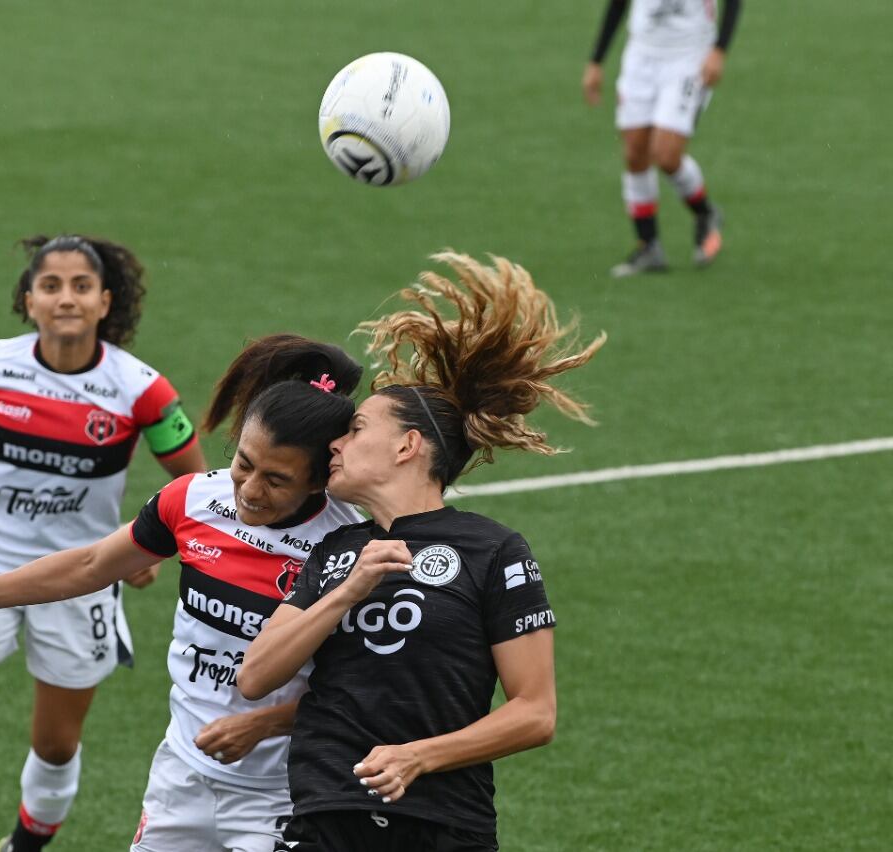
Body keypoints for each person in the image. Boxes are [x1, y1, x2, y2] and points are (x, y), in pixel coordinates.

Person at [0, 335, 367, 852]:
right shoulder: (192, 500)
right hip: (179, 778)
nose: (250, 490)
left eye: (277, 480)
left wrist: (267, 723)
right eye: (244, 464)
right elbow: (92, 564)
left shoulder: (348, 546)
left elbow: (370, 691)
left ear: (322, 479)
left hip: (281, 795)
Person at [240, 253, 606, 852]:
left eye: (356, 429)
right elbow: (256, 674)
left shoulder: (494, 551)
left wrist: (418, 757)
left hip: (439, 827)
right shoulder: (338, 549)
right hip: (323, 817)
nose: (335, 441)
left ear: (408, 446)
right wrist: (348, 592)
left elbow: (536, 713)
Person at [0, 233, 206, 852]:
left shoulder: (143, 390)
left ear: (106, 302)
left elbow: (194, 486)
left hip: (82, 573)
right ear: (29, 300)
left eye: (81, 286)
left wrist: (144, 546)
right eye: (51, 286)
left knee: (57, 743)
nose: (67, 298)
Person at [582, 0, 743, 277]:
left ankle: (705, 213)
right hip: (641, 55)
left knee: (666, 154)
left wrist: (720, 50)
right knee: (634, 152)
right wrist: (596, 61)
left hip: (688, 57)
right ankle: (648, 246)